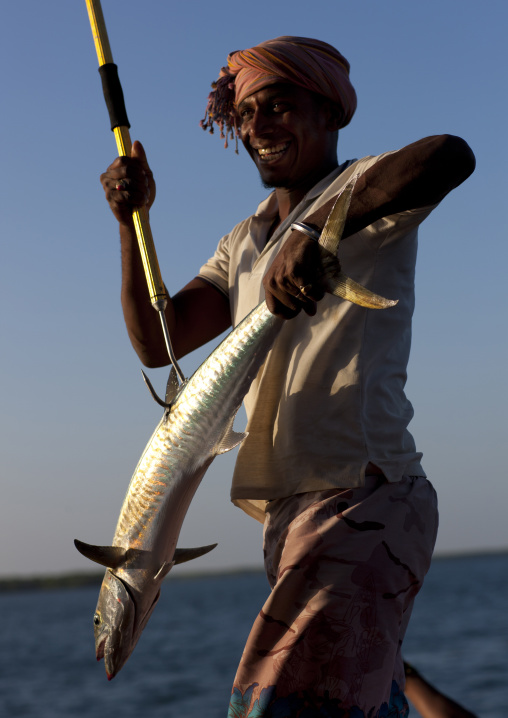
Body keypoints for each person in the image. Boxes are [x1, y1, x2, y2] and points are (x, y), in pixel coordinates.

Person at [100, 36, 475, 718]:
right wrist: (132, 225)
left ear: (330, 113)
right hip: (291, 513)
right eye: (246, 114)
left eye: (278, 106)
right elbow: (160, 341)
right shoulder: (242, 242)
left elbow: (451, 154)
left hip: (362, 493)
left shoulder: (364, 184)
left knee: (275, 706)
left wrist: (318, 230)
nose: (258, 127)